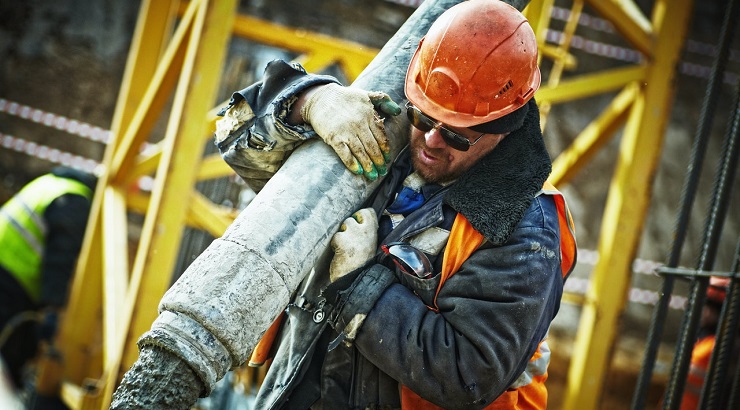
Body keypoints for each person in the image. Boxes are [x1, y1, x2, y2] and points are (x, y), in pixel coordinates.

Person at [214, 1, 576, 408]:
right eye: (423, 118)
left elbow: (468, 373)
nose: (431, 141)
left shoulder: (526, 229)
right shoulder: (386, 136)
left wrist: (358, 285)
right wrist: (308, 102)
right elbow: (235, 138)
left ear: (503, 131)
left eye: (457, 137)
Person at [0, 166, 96, 390]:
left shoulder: (49, 183)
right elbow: (59, 261)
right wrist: (52, 309)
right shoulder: (75, 200)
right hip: (10, 278)